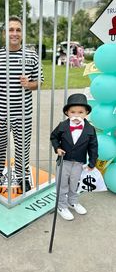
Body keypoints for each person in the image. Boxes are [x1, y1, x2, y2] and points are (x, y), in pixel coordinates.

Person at [0, 15, 44, 192]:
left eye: (18, 30)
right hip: (0, 112)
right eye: (11, 29)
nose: (14, 33)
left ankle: (23, 177)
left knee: (22, 147)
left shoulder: (31, 55)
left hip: (23, 113)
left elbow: (39, 81)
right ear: (4, 33)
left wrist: (29, 84)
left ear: (22, 33)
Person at [50, 93, 98, 221]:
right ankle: (61, 205)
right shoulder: (62, 126)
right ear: (67, 112)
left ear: (86, 112)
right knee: (62, 184)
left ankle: (73, 202)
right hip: (64, 161)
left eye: (80, 112)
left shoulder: (90, 129)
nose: (76, 115)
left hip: (79, 162)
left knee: (75, 184)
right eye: (73, 112)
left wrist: (92, 162)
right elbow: (54, 137)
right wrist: (57, 148)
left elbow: (93, 147)